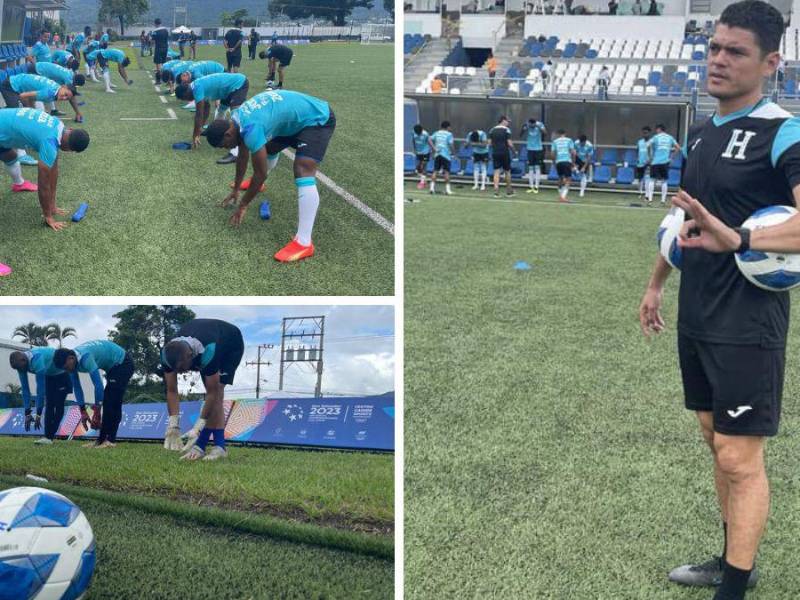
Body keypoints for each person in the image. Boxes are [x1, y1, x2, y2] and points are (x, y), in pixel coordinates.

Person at [639, 3, 797, 600]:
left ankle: (734, 585)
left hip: (748, 319)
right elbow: (684, 221)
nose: (719, 61)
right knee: (714, 439)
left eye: (736, 52)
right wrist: (656, 282)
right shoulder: (703, 131)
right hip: (697, 312)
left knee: (738, 456)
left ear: (770, 61)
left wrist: (745, 238)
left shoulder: (783, 131)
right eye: (715, 49)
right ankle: (736, 557)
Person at [202, 89, 336, 262]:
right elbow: (242, 156)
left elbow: (261, 173)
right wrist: (236, 188)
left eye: (225, 145)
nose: (227, 149)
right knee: (270, 148)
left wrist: (243, 204)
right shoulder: (236, 120)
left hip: (317, 119)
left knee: (302, 168)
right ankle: (256, 186)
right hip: (294, 120)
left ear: (228, 134)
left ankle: (304, 242)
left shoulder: (250, 128)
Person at [161, 319, 244, 461]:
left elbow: (212, 394)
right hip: (203, 336)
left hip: (230, 343)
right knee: (214, 396)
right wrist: (173, 425)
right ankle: (219, 446)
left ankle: (211, 446)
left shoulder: (208, 351)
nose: (180, 373)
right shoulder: (167, 355)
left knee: (217, 392)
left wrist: (198, 429)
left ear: (190, 356)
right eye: (176, 370)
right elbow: (171, 390)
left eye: (181, 369)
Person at [0, 107, 90, 229]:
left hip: (4, 123)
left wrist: (52, 205)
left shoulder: (59, 125)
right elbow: (43, 184)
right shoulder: (49, 142)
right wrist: (48, 216)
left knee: (9, 156)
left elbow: (54, 168)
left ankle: (19, 184)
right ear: (69, 149)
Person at [54, 341, 134, 449]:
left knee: (111, 401)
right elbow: (77, 388)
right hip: (112, 367)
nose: (66, 370)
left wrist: (97, 410)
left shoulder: (86, 358)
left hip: (123, 363)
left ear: (71, 359)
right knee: (111, 400)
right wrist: (82, 410)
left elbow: (98, 385)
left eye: (66, 367)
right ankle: (101, 440)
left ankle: (109, 440)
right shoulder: (72, 363)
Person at [9, 347, 85, 445]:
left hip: (62, 375)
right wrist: (27, 412)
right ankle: (47, 437)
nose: (22, 370)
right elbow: (25, 389)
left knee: (58, 405)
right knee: (49, 406)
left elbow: (40, 390)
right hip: (50, 376)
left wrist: (38, 413)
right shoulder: (20, 365)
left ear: (24, 360)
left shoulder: (37, 359)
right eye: (19, 369)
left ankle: (50, 435)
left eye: (22, 367)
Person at [175, 72, 249, 155]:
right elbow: (206, 109)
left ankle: (237, 147)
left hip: (238, 83)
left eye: (186, 98)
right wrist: (200, 129)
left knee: (236, 115)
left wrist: (195, 135)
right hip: (226, 90)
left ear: (186, 93)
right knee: (221, 110)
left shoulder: (197, 88)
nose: (188, 99)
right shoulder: (194, 87)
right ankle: (218, 133)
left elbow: (199, 114)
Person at [646, 123, 680, 203]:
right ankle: (663, 200)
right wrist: (671, 158)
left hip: (655, 162)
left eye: (656, 130)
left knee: (652, 180)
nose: (656, 131)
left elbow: (647, 145)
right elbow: (678, 148)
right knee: (664, 181)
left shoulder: (656, 137)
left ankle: (650, 199)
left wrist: (650, 156)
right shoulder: (670, 137)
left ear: (659, 129)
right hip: (665, 162)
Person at [489, 115, 515, 197]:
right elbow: (509, 143)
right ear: (503, 121)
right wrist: (514, 151)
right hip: (504, 152)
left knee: (496, 171)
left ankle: (496, 191)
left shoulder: (492, 130)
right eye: (507, 121)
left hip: (495, 152)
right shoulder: (507, 130)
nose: (508, 123)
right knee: (507, 171)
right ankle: (509, 191)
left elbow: (489, 143)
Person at [428, 121, 455, 196]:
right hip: (446, 155)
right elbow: (451, 144)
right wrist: (454, 153)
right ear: (448, 127)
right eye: (450, 127)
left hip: (437, 154)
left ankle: (431, 188)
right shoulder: (449, 134)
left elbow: (429, 139)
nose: (450, 128)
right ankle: (448, 190)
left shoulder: (437, 133)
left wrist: (434, 149)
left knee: (435, 171)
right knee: (446, 172)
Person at [521, 118, 547, 193]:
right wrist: (524, 128)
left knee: (537, 167)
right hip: (530, 149)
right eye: (530, 125)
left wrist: (539, 127)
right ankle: (530, 186)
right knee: (530, 168)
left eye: (532, 125)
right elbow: (521, 134)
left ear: (534, 123)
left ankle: (536, 187)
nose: (531, 126)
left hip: (538, 149)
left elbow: (545, 133)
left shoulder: (540, 124)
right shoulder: (527, 124)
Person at [551, 129, 575, 202]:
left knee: (560, 178)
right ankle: (563, 197)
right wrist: (573, 163)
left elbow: (552, 154)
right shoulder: (569, 140)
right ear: (565, 134)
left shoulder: (555, 141)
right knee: (568, 179)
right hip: (566, 161)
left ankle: (560, 195)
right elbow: (573, 152)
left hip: (559, 162)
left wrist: (554, 163)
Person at [411, 124, 431, 189]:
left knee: (424, 165)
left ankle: (422, 183)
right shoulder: (413, 133)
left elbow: (430, 142)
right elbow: (413, 141)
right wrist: (414, 149)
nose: (418, 134)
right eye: (417, 133)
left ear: (421, 131)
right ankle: (424, 180)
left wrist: (434, 150)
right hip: (418, 153)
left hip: (426, 152)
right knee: (419, 167)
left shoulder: (425, 134)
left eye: (419, 133)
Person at [635, 126, 652, 199]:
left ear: (649, 133)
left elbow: (653, 153)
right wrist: (638, 159)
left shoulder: (651, 142)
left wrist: (650, 161)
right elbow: (637, 151)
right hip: (640, 163)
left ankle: (647, 195)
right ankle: (640, 193)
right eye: (644, 133)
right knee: (640, 179)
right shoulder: (639, 142)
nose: (645, 134)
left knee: (647, 178)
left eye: (646, 133)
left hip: (648, 163)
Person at [151, 18, 169, 83]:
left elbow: (152, 42)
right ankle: (166, 78)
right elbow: (167, 38)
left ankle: (158, 80)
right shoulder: (165, 30)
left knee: (158, 64)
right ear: (161, 23)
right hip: (165, 47)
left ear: (155, 23)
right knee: (164, 63)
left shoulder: (155, 31)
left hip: (158, 48)